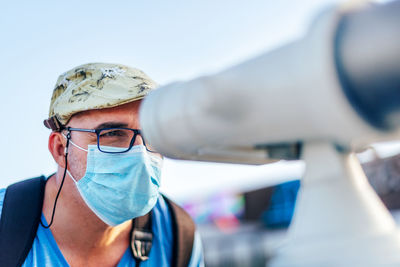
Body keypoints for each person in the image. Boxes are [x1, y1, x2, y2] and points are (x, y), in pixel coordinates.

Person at [0, 63, 204, 266]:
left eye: (152, 135)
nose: (141, 154)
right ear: (61, 149)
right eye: (112, 134)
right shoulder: (6, 227)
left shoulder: (177, 234)